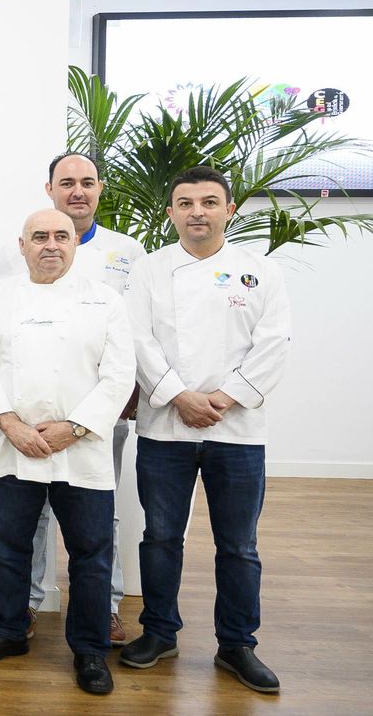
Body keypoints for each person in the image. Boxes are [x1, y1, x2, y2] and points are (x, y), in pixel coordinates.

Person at [119, 166, 290, 694]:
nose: (198, 212)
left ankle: (237, 644)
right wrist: (179, 396)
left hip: (237, 430)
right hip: (166, 428)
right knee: (161, 537)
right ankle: (159, 632)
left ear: (229, 210)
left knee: (238, 545)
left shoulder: (260, 272)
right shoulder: (148, 270)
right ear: (172, 212)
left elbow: (274, 343)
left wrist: (224, 398)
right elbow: (137, 339)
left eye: (209, 202)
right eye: (187, 203)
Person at [0, 209, 135, 696]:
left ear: (75, 243)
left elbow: (119, 374)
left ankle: (90, 650)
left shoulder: (105, 300)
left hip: (82, 450)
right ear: (22, 246)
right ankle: (9, 630)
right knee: (6, 549)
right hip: (12, 445)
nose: (50, 245)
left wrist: (72, 429)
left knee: (91, 555)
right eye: (39, 237)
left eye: (61, 236)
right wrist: (11, 425)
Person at [23, 151, 146, 645]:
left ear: (100, 189)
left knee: (101, 510)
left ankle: (105, 607)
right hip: (34, 411)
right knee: (33, 511)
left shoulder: (127, 252)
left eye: (87, 182)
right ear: (49, 189)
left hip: (100, 410)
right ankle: (28, 602)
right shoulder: (28, 246)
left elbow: (137, 332)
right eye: (67, 182)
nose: (78, 191)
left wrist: (127, 394)